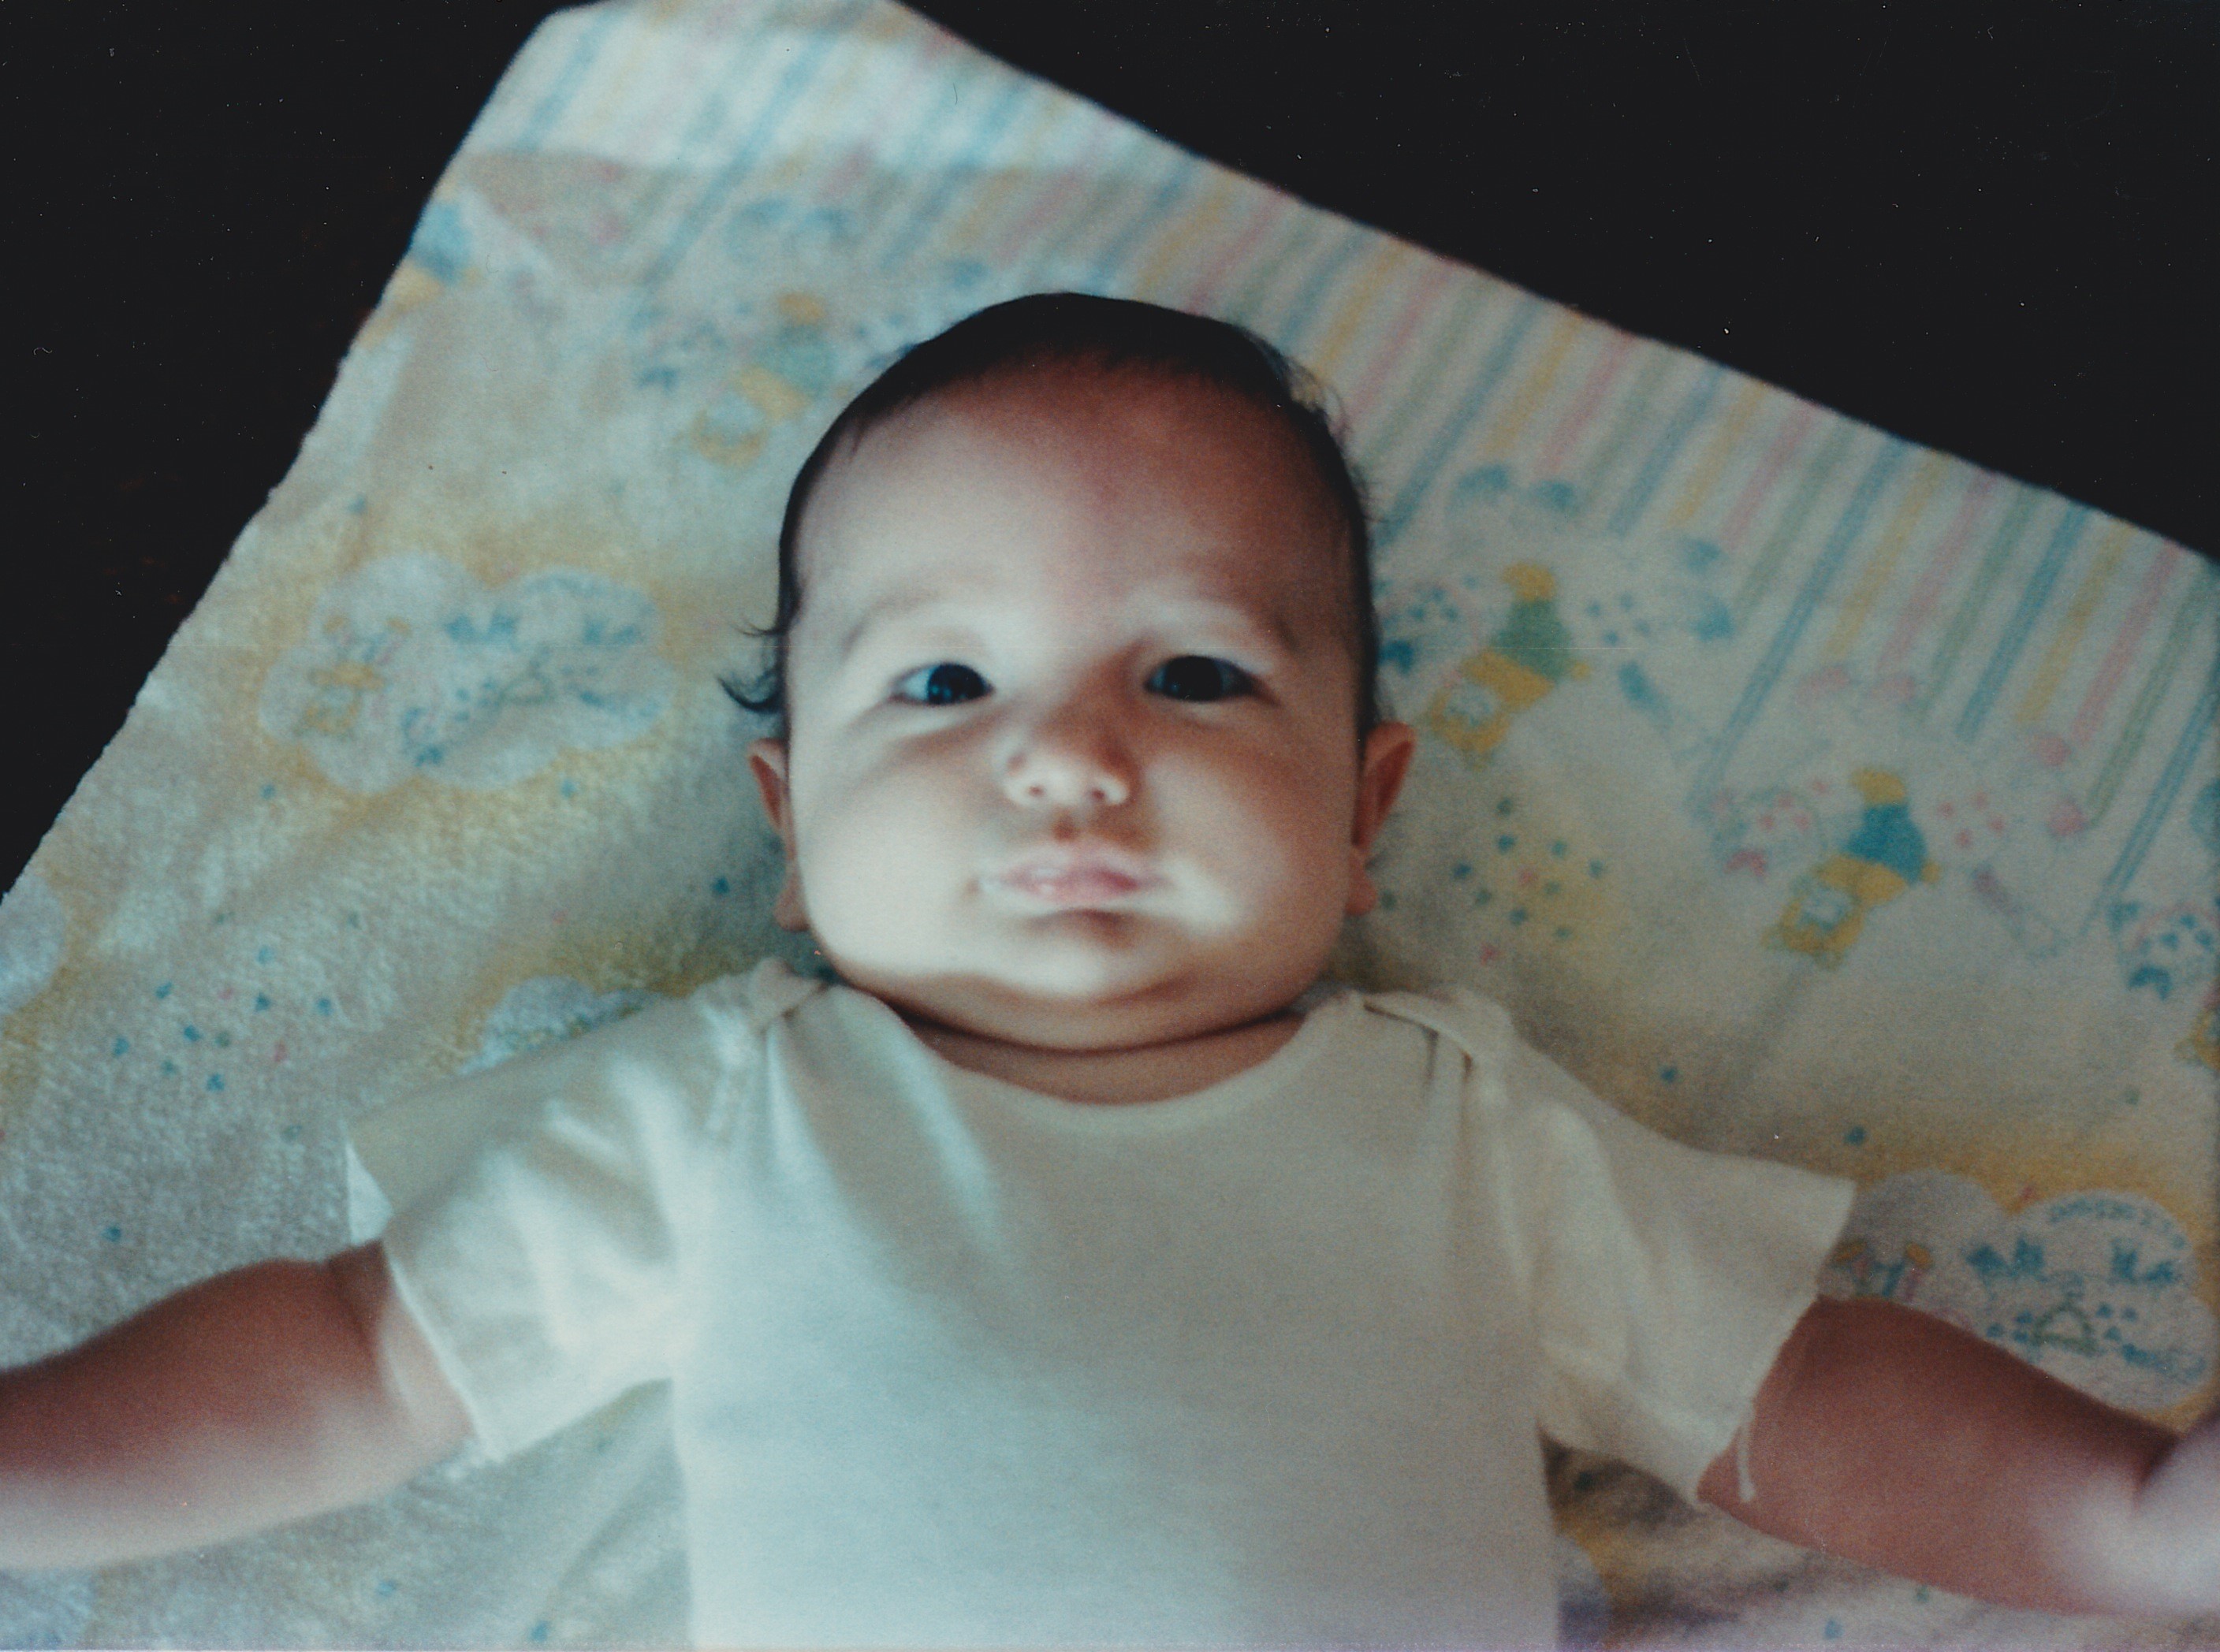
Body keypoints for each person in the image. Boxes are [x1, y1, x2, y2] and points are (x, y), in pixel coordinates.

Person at [2, 295, 2212, 1644]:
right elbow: (357, 1362)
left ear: (1363, 803)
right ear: (791, 823)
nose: (1069, 755)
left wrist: (2129, 1525)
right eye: (944, 679)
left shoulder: (1464, 1131)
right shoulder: (732, 1115)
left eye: (1195, 672)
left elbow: (1797, 1406)